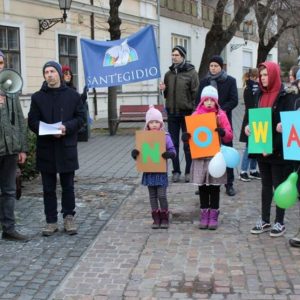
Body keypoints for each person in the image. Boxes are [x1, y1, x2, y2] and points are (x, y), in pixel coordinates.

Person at [28, 61, 84, 236]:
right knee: (48, 188)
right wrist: (46, 130)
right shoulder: (37, 97)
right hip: (46, 147)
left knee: (68, 186)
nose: (49, 74)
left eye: (52, 71)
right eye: (46, 72)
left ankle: (68, 217)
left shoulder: (73, 96)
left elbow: (81, 118)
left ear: (59, 74)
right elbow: (32, 121)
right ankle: (51, 221)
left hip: (66, 147)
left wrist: (66, 127)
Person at [245, 61, 295, 237]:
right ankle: (265, 219)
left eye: (266, 75)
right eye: (261, 75)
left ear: (273, 75)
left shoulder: (285, 96)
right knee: (265, 185)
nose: (263, 78)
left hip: (278, 149)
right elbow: (253, 117)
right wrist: (248, 128)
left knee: (278, 186)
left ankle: (279, 222)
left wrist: (274, 144)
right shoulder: (258, 94)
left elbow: (289, 125)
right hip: (261, 147)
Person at [182, 86, 233, 229]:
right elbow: (190, 136)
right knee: (203, 187)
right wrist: (186, 137)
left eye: (212, 100)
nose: (209, 103)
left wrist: (222, 132)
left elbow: (229, 134)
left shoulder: (220, 115)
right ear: (202, 101)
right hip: (200, 157)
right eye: (206, 100)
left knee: (214, 187)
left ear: (216, 101)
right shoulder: (195, 116)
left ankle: (214, 214)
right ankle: (204, 213)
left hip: (215, 157)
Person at [196, 55, 238, 196]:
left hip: (222, 121)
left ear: (221, 67)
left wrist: (219, 110)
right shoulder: (204, 82)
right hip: (205, 124)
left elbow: (234, 100)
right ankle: (203, 182)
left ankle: (229, 183)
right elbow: (198, 101)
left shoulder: (230, 81)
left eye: (216, 66)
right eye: (211, 66)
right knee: (206, 154)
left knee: (225, 152)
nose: (213, 68)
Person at [131, 105, 176, 229]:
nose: (154, 124)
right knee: (152, 196)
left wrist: (170, 154)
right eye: (152, 122)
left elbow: (173, 149)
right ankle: (156, 218)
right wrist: (135, 154)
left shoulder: (165, 136)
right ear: (148, 124)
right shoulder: (144, 137)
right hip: (149, 171)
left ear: (161, 123)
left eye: (157, 122)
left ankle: (164, 216)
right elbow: (139, 150)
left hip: (161, 171)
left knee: (161, 195)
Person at [0, 50, 29, 241]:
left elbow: (19, 120)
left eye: (0, 63)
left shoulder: (11, 90)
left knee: (9, 191)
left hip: (10, 150)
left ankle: (9, 229)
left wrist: (23, 148)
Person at [159, 45, 199, 183]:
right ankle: (176, 171)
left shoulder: (191, 73)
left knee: (188, 144)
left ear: (182, 56)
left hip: (187, 113)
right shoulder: (168, 74)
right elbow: (166, 94)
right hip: (172, 113)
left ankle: (188, 171)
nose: (174, 57)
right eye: (172, 55)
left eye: (176, 55)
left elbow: (196, 93)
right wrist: (163, 89)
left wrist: (194, 111)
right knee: (173, 144)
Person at [239, 68, 261, 182]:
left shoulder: (257, 88)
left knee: (256, 146)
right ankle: (243, 171)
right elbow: (250, 106)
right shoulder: (249, 89)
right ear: (253, 77)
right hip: (251, 119)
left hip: (258, 118)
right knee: (249, 147)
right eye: (258, 77)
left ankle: (253, 170)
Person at [62, 65, 90, 142]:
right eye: (66, 74)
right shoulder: (60, 89)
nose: (69, 76)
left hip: (72, 122)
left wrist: (83, 96)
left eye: (70, 74)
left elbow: (77, 104)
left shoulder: (72, 88)